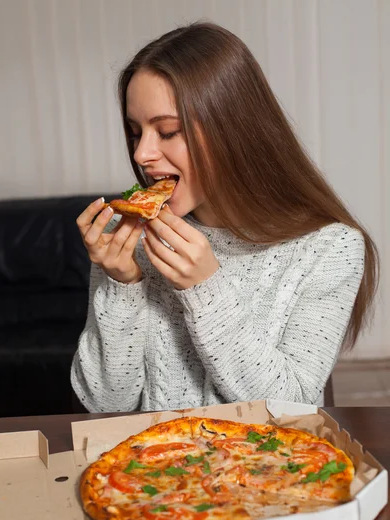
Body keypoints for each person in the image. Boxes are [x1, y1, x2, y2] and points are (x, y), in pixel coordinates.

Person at [71, 21, 378, 413]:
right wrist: (122, 284)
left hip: (261, 469)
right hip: (151, 469)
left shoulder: (330, 248)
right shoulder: (126, 239)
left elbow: (292, 407)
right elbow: (103, 404)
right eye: (135, 132)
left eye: (167, 131)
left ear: (233, 130)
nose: (141, 154)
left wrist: (205, 288)